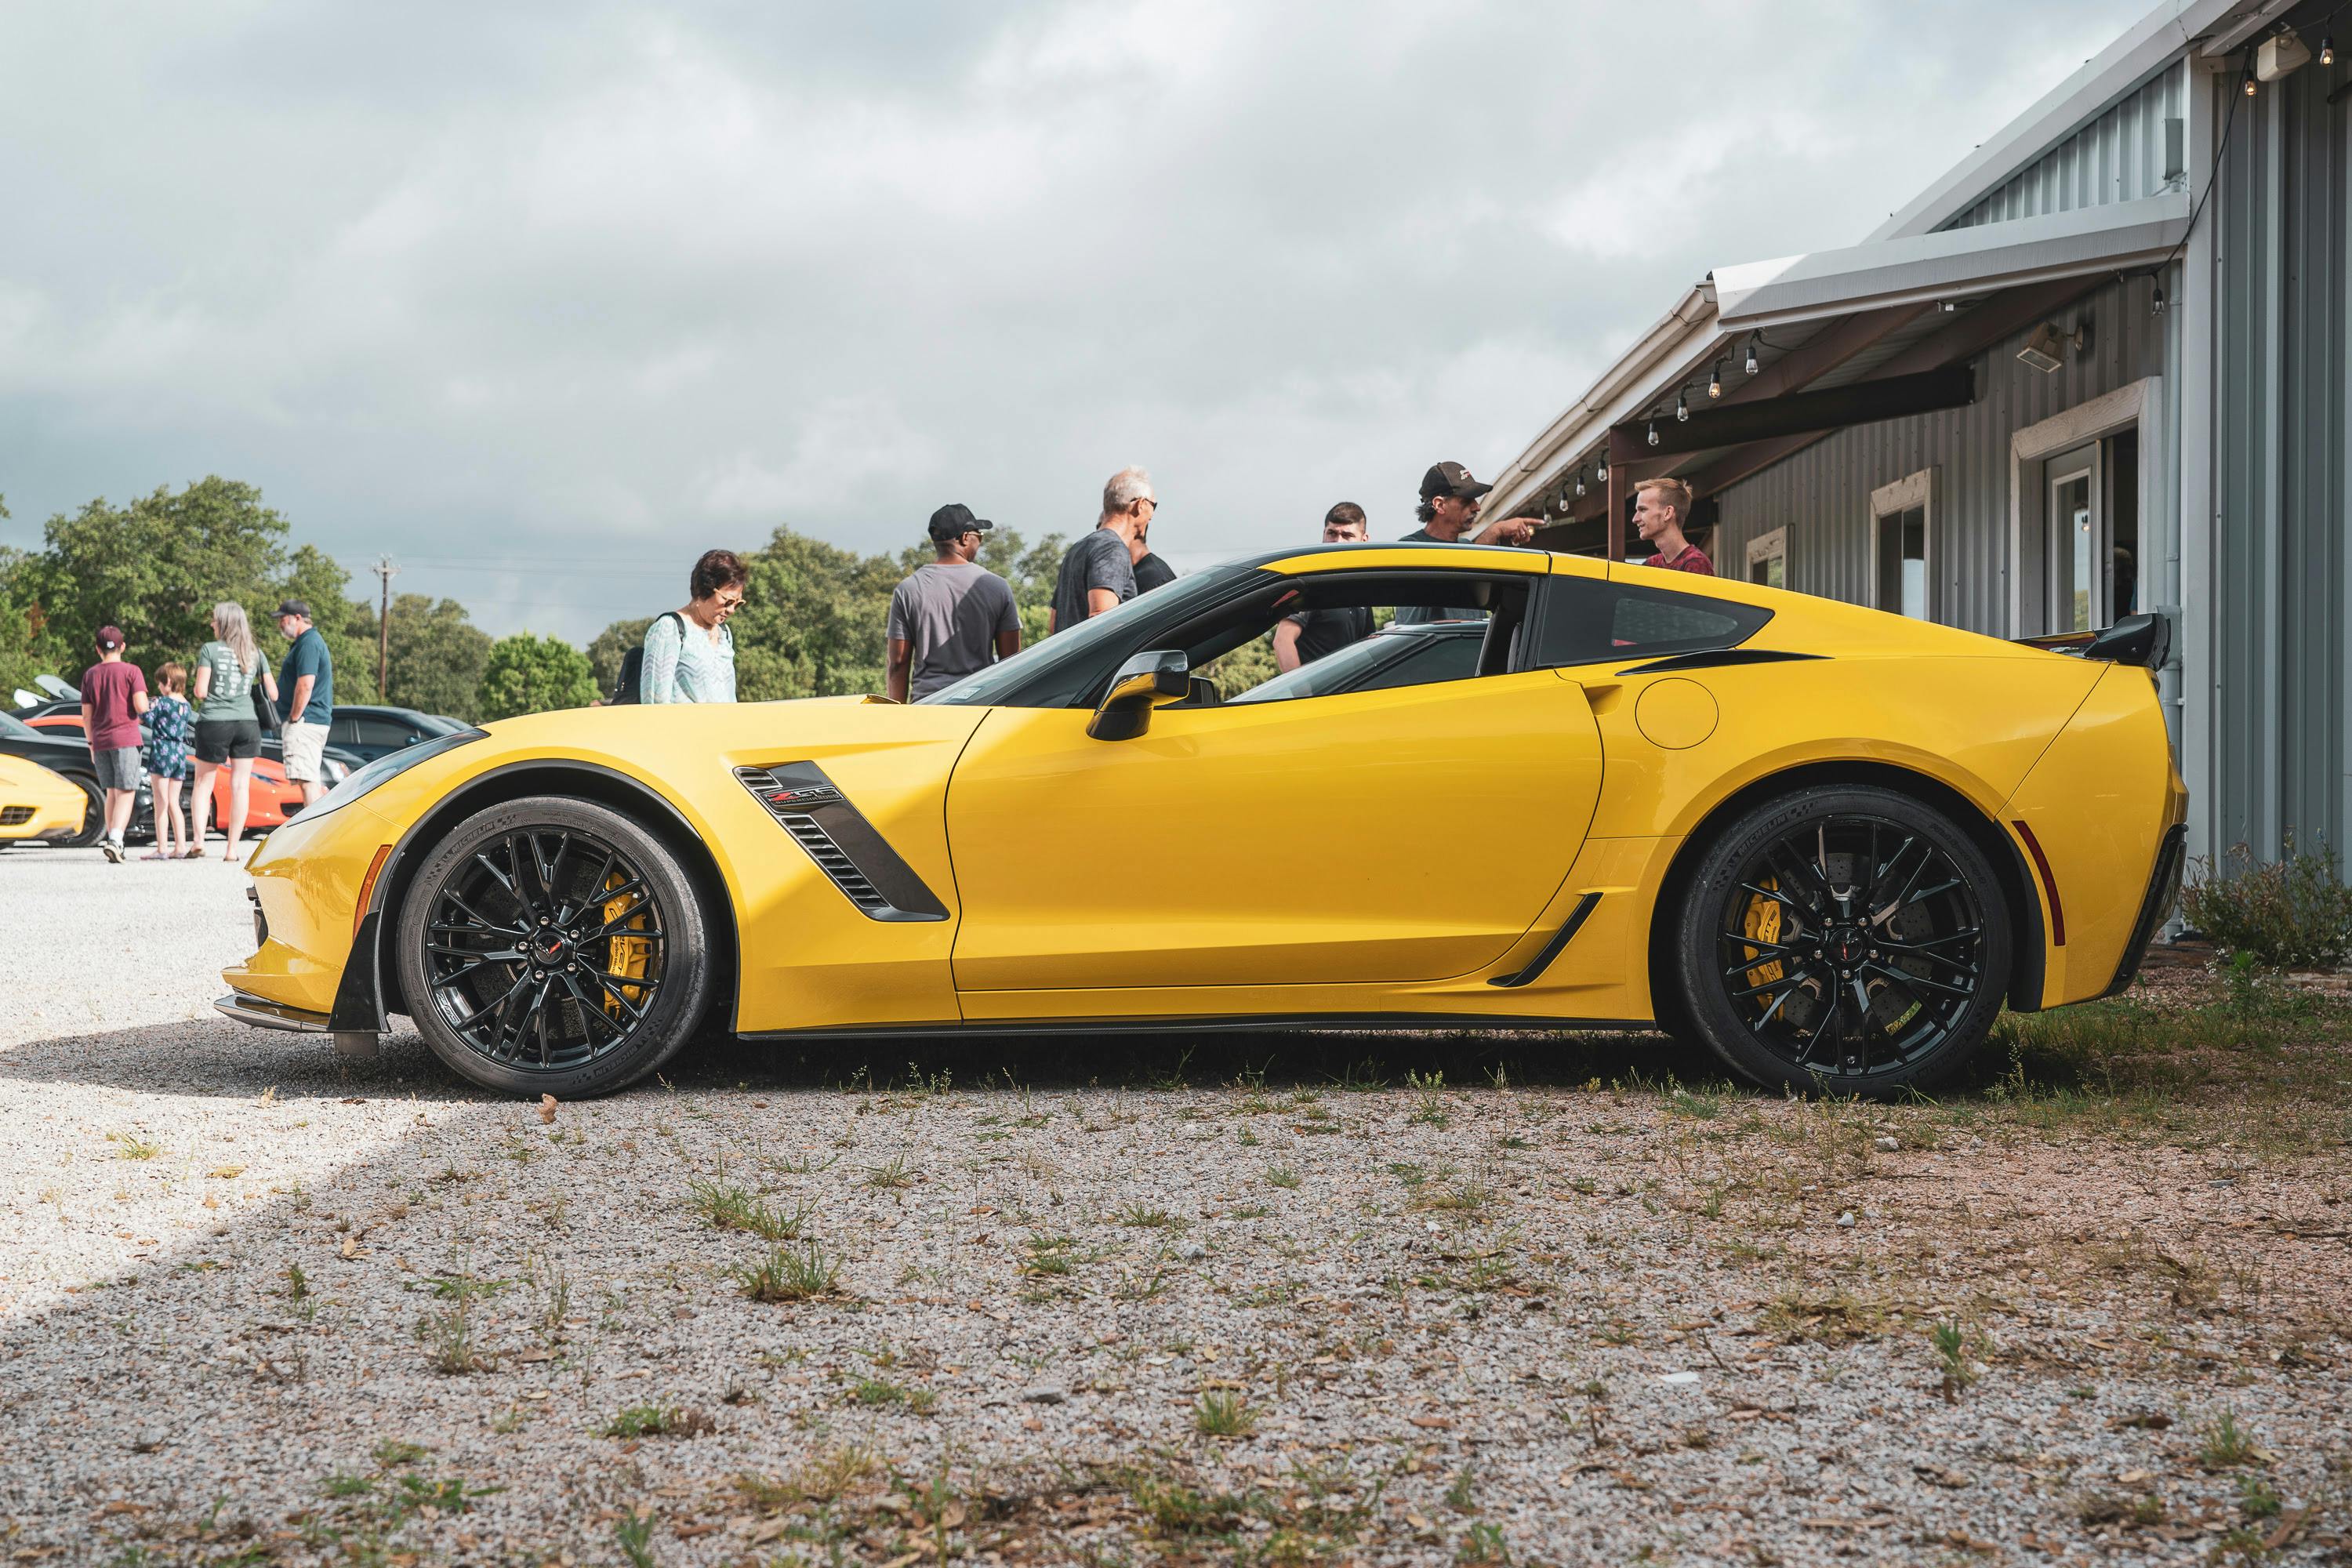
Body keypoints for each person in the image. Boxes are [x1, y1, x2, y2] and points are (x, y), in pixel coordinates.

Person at [886, 505, 1022, 702]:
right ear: (965, 538)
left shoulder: (908, 589)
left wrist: (896, 715)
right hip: (980, 707)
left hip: (927, 705)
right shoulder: (997, 587)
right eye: (980, 536)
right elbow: (1011, 661)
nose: (980, 542)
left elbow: (898, 662)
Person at [1396, 462, 1534, 623]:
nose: (1477, 507)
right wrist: (1493, 532)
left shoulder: (1466, 546)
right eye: (1466, 501)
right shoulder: (1411, 548)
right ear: (1440, 505)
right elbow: (1411, 625)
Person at [190, 601, 275, 862]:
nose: (212, 624)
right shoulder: (255, 653)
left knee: (204, 783)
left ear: (224, 624)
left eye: (215, 620)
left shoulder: (210, 650)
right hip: (247, 723)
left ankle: (199, 842)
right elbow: (273, 693)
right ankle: (232, 850)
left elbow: (200, 692)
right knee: (240, 785)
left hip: (215, 721)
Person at [1047, 467, 1155, 634]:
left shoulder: (1077, 549)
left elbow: (1054, 623)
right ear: (1141, 505)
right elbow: (1102, 620)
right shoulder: (1111, 549)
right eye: (1153, 505)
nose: (1152, 516)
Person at [1272, 503, 1373, 672]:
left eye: (1347, 535)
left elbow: (1368, 646)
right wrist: (1303, 692)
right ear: (1324, 534)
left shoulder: (1361, 589)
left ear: (1364, 540)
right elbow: (1282, 640)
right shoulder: (1314, 584)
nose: (1337, 542)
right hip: (1317, 694)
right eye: (1332, 533)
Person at [79, 626, 150, 862]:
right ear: (123, 647)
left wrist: (91, 743)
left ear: (98, 649)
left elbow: (86, 716)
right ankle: (116, 840)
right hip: (126, 738)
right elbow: (141, 706)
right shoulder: (132, 671)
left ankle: (113, 839)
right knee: (127, 790)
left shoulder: (90, 675)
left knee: (111, 792)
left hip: (99, 740)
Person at [642, 549, 747, 703]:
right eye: (727, 601)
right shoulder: (669, 628)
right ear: (704, 590)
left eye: (738, 604)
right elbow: (654, 703)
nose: (731, 610)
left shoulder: (724, 633)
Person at [272, 600, 336, 807]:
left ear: (297, 618)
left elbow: (306, 684)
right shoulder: (307, 642)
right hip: (309, 721)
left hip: (305, 722)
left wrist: (294, 717)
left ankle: (317, 836)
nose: (280, 624)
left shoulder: (309, 643)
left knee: (307, 781)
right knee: (308, 780)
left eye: (283, 618)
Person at [142, 662, 193, 862]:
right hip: (179, 752)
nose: (159, 687)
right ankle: (180, 846)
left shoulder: (162, 703)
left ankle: (162, 847)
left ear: (169, 682)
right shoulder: (186, 705)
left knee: (160, 802)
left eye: (161, 683)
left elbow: (146, 717)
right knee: (174, 802)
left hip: (162, 751)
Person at [1635, 477, 1715, 574]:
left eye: (1643, 510)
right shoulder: (1651, 564)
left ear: (1668, 513)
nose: (1635, 519)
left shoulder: (1696, 564)